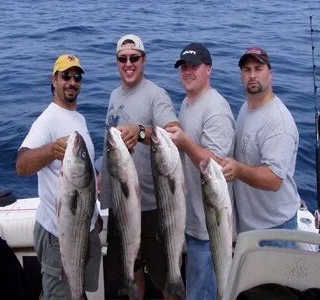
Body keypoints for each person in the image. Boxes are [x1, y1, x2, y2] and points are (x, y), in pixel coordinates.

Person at [99, 34, 180, 299]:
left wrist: (142, 132)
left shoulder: (157, 96)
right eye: (123, 58)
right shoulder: (114, 95)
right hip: (120, 204)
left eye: (134, 58)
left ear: (144, 60)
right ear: (117, 62)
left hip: (152, 208)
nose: (128, 63)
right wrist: (101, 176)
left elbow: (174, 134)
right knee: (131, 271)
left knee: (166, 279)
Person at [16, 54, 101, 299]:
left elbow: (84, 176)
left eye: (77, 77)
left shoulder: (79, 118)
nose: (72, 82)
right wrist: (51, 150)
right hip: (57, 235)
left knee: (78, 290)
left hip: (85, 226)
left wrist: (96, 216)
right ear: (54, 80)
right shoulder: (47, 120)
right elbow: (22, 165)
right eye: (65, 76)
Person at [168, 43, 235, 300]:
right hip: (192, 221)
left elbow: (217, 167)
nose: (188, 71)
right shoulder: (187, 102)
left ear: (209, 69)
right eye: (184, 67)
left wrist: (185, 143)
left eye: (194, 66)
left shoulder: (216, 109)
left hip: (210, 230)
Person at [220, 47, 300, 248]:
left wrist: (237, 170)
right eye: (247, 70)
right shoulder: (247, 107)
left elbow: (274, 180)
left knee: (272, 281)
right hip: (249, 227)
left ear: (270, 74)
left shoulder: (278, 123)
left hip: (275, 230)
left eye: (258, 68)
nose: (252, 75)